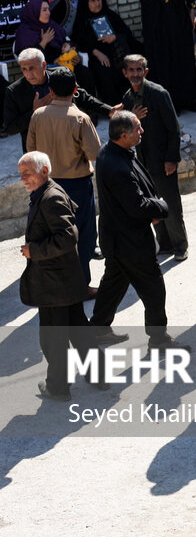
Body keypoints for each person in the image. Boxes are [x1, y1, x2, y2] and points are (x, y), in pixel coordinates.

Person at [89, 111, 188, 351]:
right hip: (129, 242)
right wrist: (161, 206)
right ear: (123, 135)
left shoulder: (114, 152)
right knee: (154, 290)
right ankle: (159, 339)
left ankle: (98, 328)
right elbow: (137, 205)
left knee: (114, 283)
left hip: (118, 238)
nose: (142, 131)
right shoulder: (115, 165)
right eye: (137, 128)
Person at [18, 151, 107, 400]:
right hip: (63, 280)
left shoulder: (51, 197)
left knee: (53, 338)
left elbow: (68, 236)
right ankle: (98, 376)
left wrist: (34, 250)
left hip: (55, 284)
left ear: (45, 171)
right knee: (78, 331)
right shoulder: (46, 193)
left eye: (27, 173)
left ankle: (58, 388)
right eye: (21, 174)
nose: (23, 179)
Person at [26, 67, 99, 288]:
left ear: (50, 91)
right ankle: (81, 285)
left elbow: (31, 151)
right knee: (81, 236)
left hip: (46, 186)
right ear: (75, 89)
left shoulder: (38, 116)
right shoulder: (80, 118)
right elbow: (95, 154)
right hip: (77, 187)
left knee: (53, 235)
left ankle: (58, 285)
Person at [120, 55, 188, 260]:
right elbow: (125, 130)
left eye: (139, 69)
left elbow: (173, 129)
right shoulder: (127, 99)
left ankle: (180, 246)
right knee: (152, 205)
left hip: (162, 160)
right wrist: (132, 118)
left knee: (171, 206)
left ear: (146, 71)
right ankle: (164, 244)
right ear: (125, 73)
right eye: (131, 70)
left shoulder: (159, 94)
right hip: (142, 163)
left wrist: (171, 158)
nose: (135, 74)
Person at [137, 0, 196, 111]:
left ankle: (189, 99)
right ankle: (170, 104)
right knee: (165, 62)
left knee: (184, 59)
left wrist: (192, 12)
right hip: (159, 25)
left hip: (180, 21)